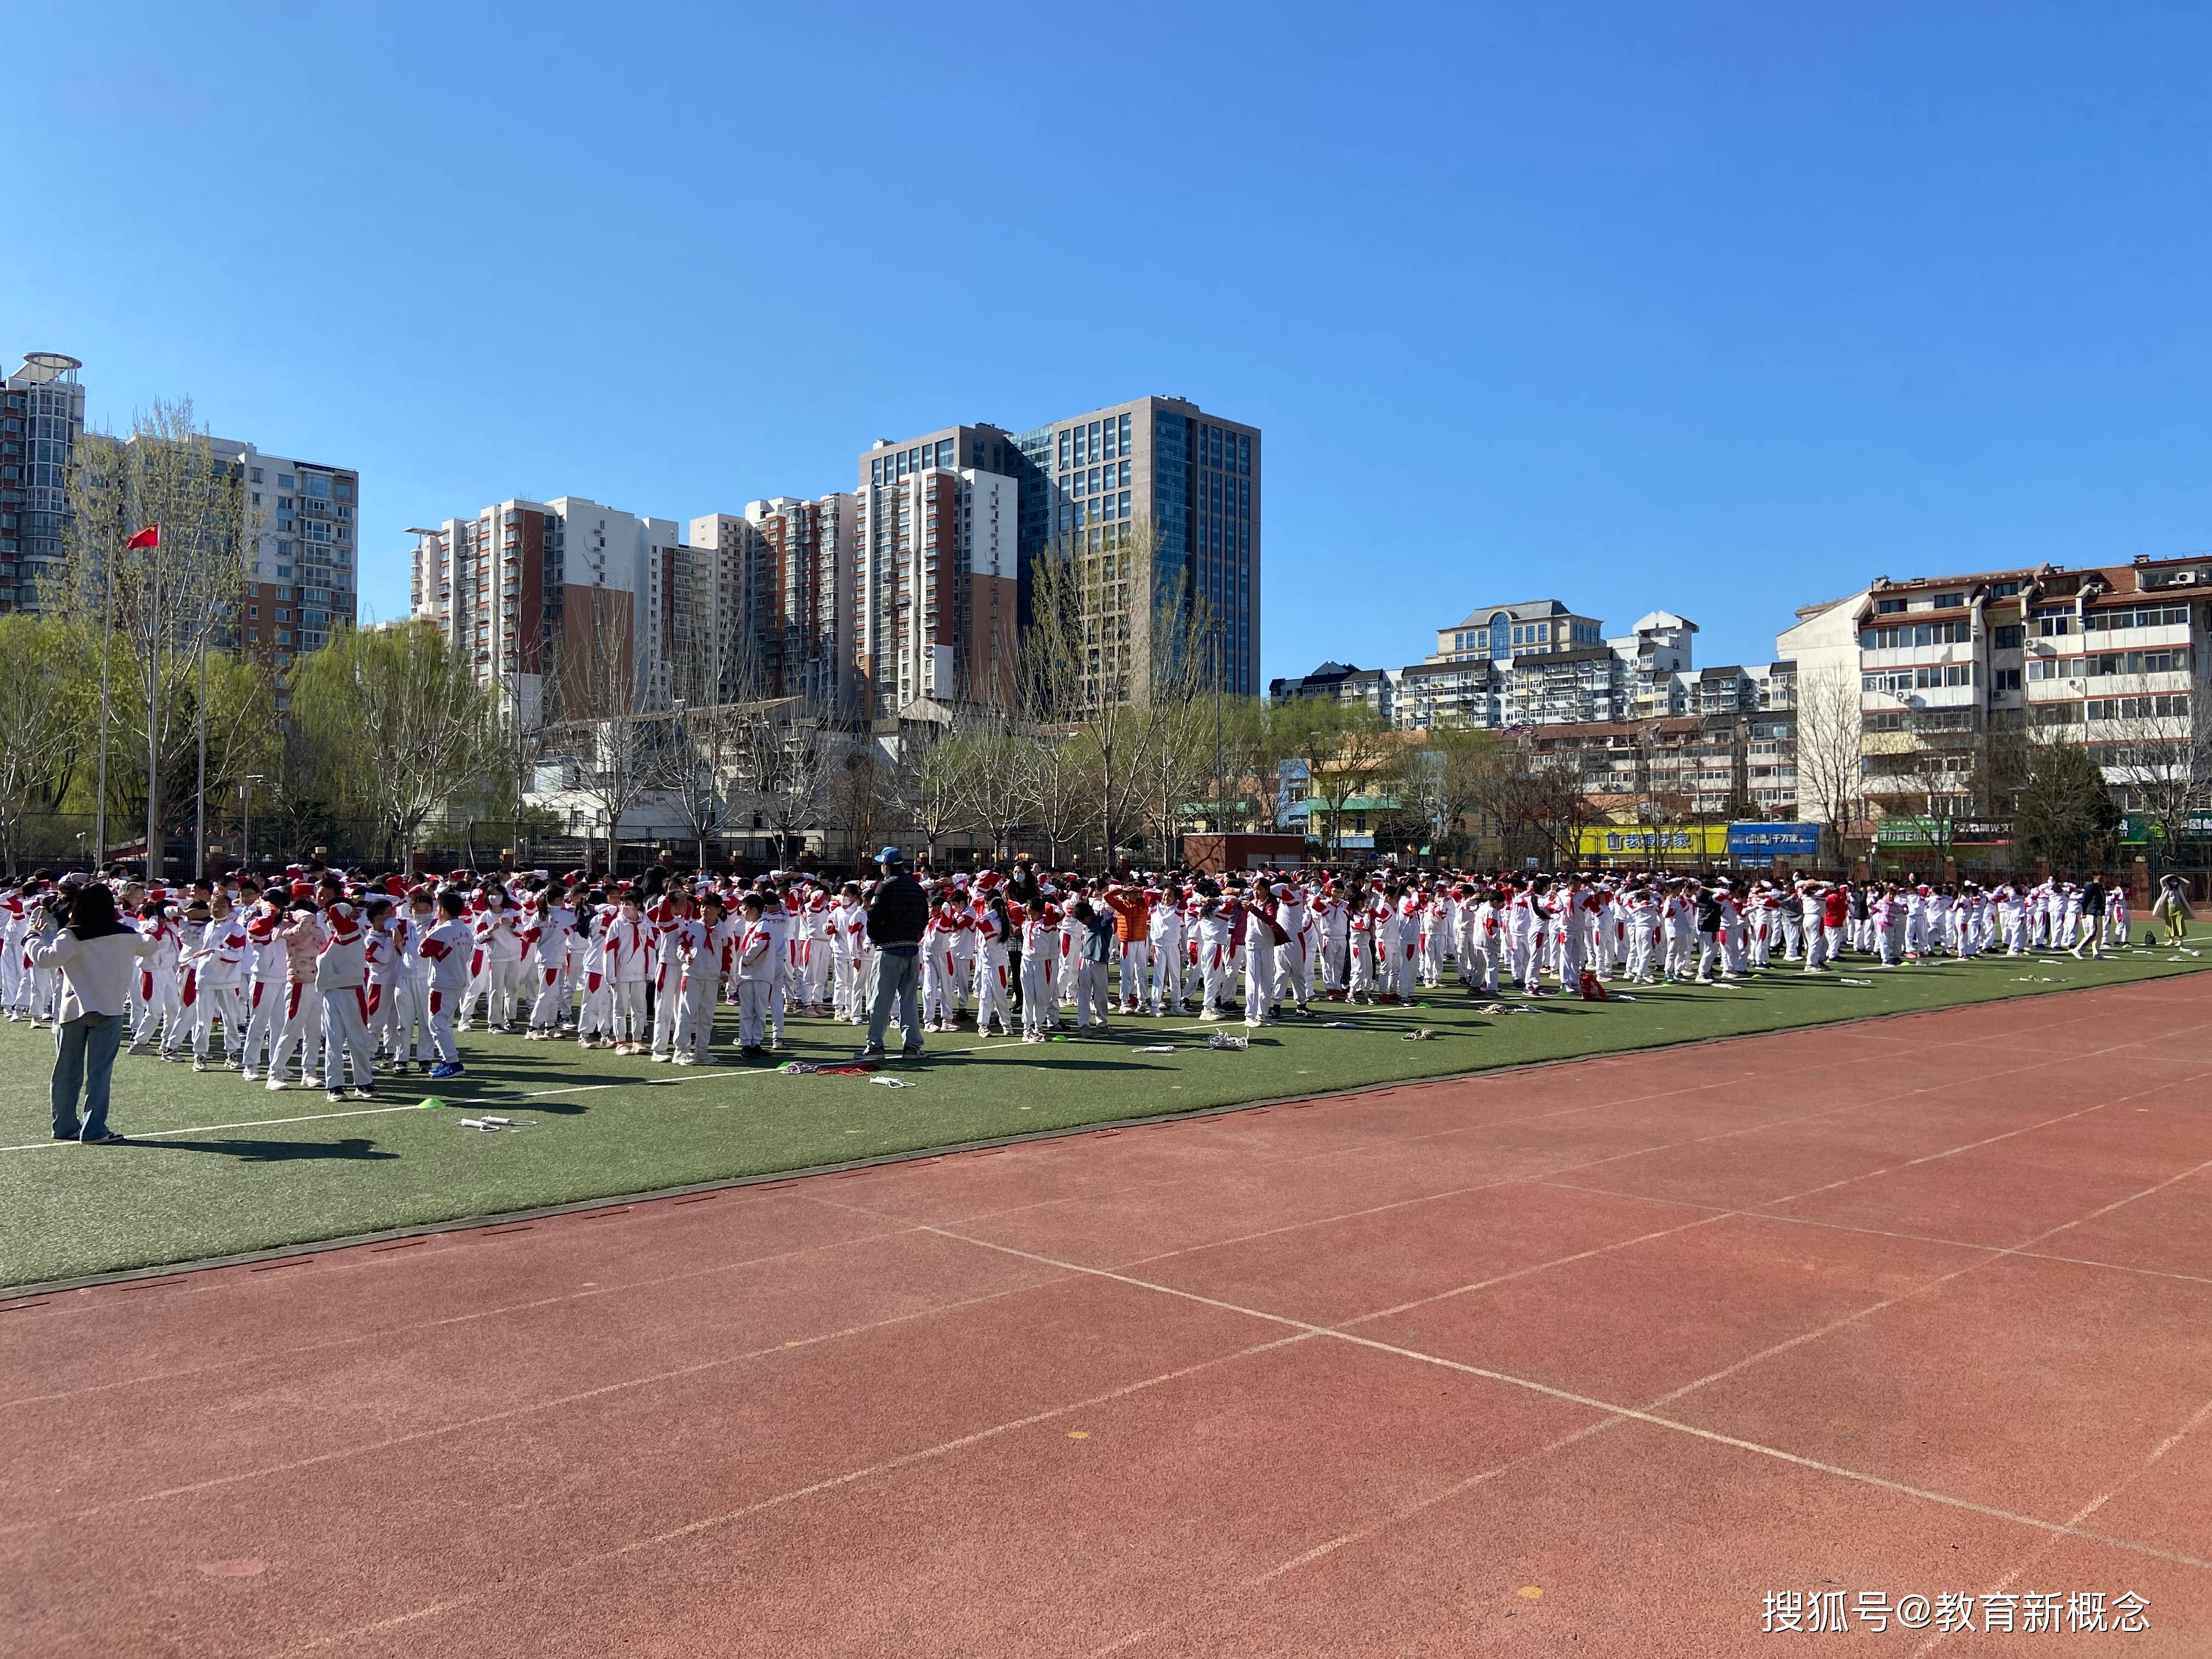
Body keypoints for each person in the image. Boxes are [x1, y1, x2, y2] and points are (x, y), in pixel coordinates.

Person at [38, 882, 161, 1144]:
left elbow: (47, 960)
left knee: (66, 1070)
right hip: (109, 1008)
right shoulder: (126, 935)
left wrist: (31, 939)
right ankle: (94, 1129)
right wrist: (148, 925)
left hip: (73, 1010)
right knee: (100, 1072)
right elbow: (150, 945)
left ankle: (64, 1125)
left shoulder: (70, 935)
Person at [861, 847, 927, 1060]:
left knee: (880, 1000)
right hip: (911, 948)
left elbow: (873, 917)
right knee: (908, 1001)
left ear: (886, 867)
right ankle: (912, 1047)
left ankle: (875, 1045)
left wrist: (877, 938)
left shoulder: (885, 887)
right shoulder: (917, 888)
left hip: (889, 949)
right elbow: (924, 919)